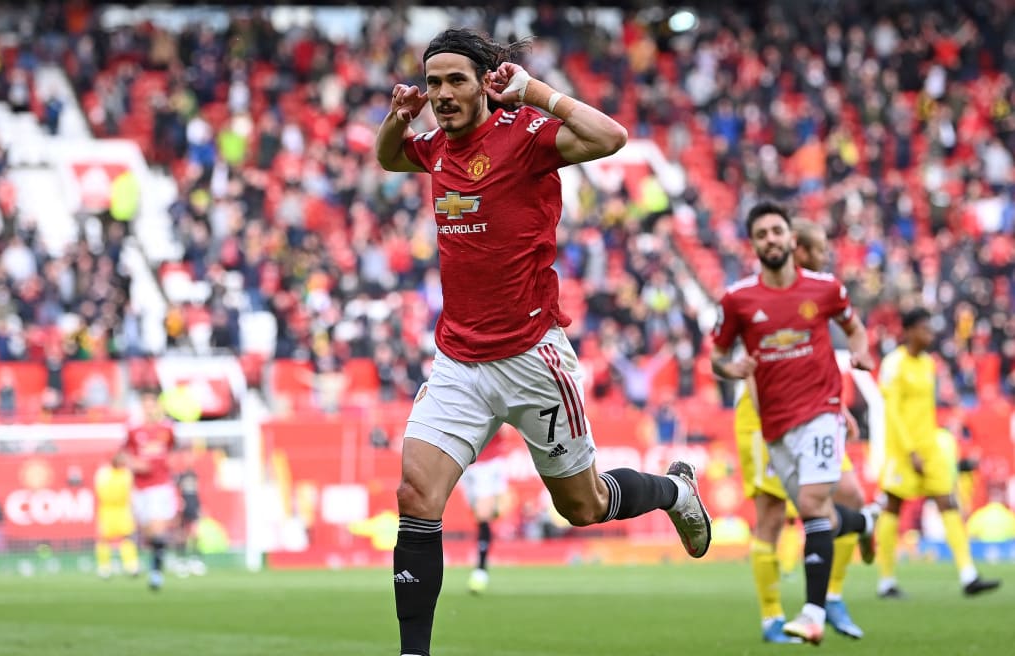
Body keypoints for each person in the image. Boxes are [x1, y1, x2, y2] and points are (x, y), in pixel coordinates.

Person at [376, 27, 711, 656]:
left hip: (533, 356)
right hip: (458, 361)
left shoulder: (524, 136)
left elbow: (612, 137)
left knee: (582, 508)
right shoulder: (434, 148)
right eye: (433, 82)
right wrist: (397, 119)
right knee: (414, 495)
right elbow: (389, 157)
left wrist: (537, 92)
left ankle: (674, 491)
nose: (442, 94)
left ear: (484, 84)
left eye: (455, 81)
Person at [711, 201, 877, 645]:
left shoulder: (826, 289)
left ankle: (812, 612)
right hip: (772, 423)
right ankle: (864, 525)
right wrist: (732, 369)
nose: (771, 240)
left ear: (790, 239)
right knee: (813, 512)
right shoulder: (738, 299)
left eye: (776, 231)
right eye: (762, 234)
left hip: (821, 410)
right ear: (753, 245)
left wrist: (860, 353)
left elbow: (855, 328)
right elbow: (717, 356)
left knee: (811, 504)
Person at [875, 308, 1001, 598]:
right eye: (923, 328)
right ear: (908, 331)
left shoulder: (928, 364)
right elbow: (892, 413)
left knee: (948, 502)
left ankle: (968, 575)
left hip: (929, 447)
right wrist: (909, 450)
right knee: (892, 506)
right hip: (902, 451)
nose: (929, 334)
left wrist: (925, 446)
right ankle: (886, 581)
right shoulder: (894, 365)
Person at [120, 387, 178, 591]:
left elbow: (173, 452)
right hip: (140, 489)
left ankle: (156, 573)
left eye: (152, 405)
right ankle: (156, 560)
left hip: (160, 487)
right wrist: (133, 463)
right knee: (148, 534)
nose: (149, 409)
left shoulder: (167, 430)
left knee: (157, 531)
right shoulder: (133, 431)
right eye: (145, 405)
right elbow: (120, 455)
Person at [458, 432, 509, 594]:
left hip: (487, 462)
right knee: (479, 515)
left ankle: (480, 570)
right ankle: (495, 505)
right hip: (464, 461)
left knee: (482, 514)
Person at [93, 451, 140, 578]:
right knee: (104, 538)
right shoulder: (104, 473)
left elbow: (131, 491)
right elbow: (100, 490)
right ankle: (104, 567)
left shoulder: (126, 473)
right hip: (107, 509)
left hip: (123, 509)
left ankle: (131, 565)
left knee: (127, 537)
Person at [172, 448, 207, 577]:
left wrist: (201, 506)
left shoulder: (195, 475)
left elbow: (199, 493)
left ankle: (196, 560)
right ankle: (181, 561)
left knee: (195, 534)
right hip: (182, 508)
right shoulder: (179, 476)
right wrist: (177, 504)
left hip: (193, 507)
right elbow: (174, 491)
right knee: (182, 535)